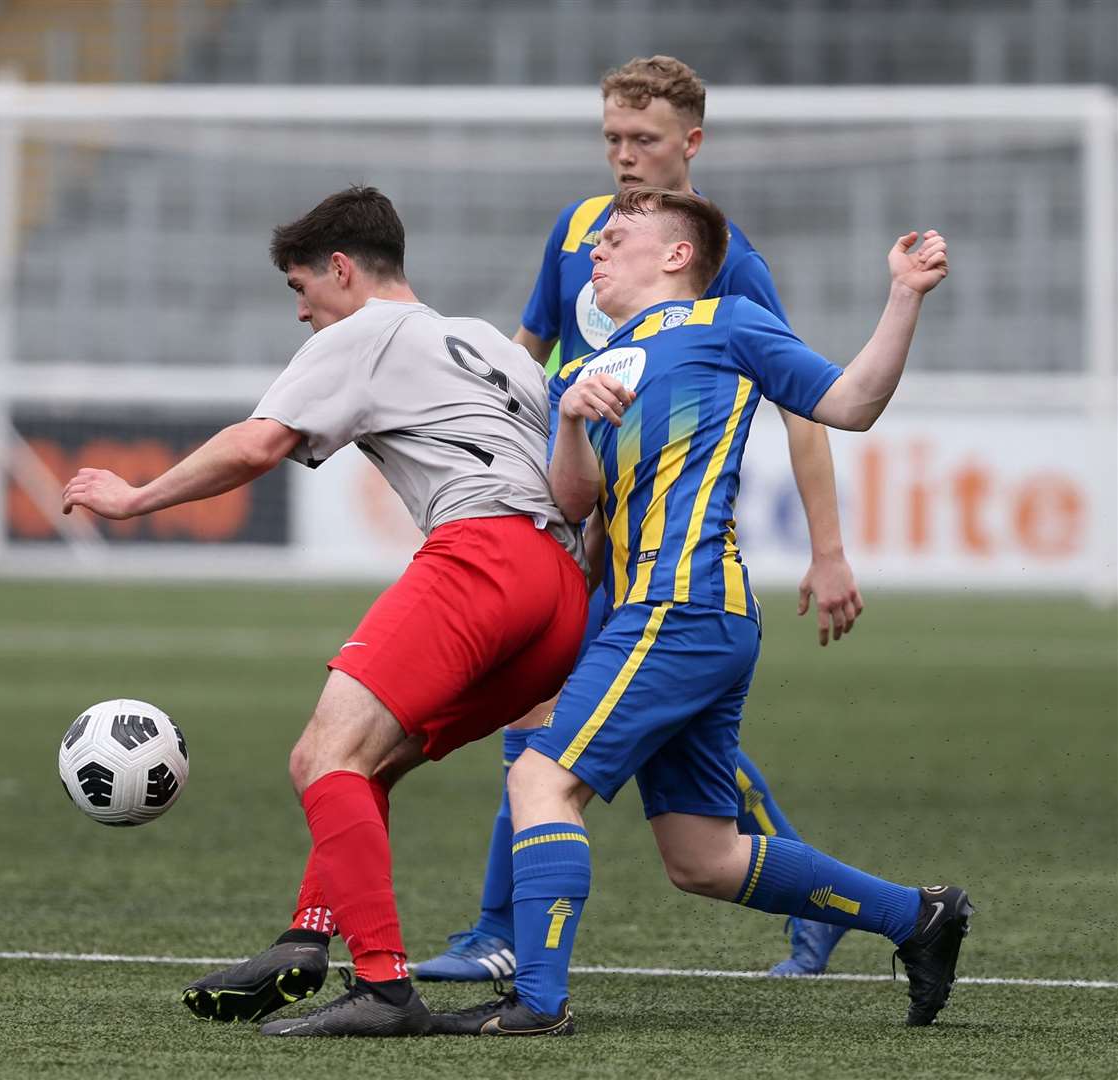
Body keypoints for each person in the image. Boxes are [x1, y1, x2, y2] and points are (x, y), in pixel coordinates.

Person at [431, 187, 970, 1036]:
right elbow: (575, 500)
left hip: (676, 606)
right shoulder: (587, 367)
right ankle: (918, 918)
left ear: (677, 255)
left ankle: (534, 1003)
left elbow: (850, 404)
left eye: (618, 236)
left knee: (539, 776)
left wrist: (902, 295)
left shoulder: (726, 323)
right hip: (674, 615)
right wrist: (569, 420)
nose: (596, 249)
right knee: (704, 859)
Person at [61, 186, 591, 1037]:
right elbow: (573, 480)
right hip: (560, 593)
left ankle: (384, 988)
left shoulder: (362, 331)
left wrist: (134, 499)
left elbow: (257, 442)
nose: (302, 311)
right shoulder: (494, 344)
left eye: (301, 287)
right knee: (363, 768)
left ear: (341, 269)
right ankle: (304, 940)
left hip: (484, 557)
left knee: (322, 756)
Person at [418, 54, 859, 984]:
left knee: (559, 719)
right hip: (582, 504)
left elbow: (801, 405)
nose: (623, 157)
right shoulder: (580, 231)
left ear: (689, 144)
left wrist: (827, 550)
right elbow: (527, 351)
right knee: (567, 710)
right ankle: (502, 930)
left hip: (662, 530)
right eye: (612, 137)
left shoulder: (724, 258)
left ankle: (502, 935)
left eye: (644, 140)